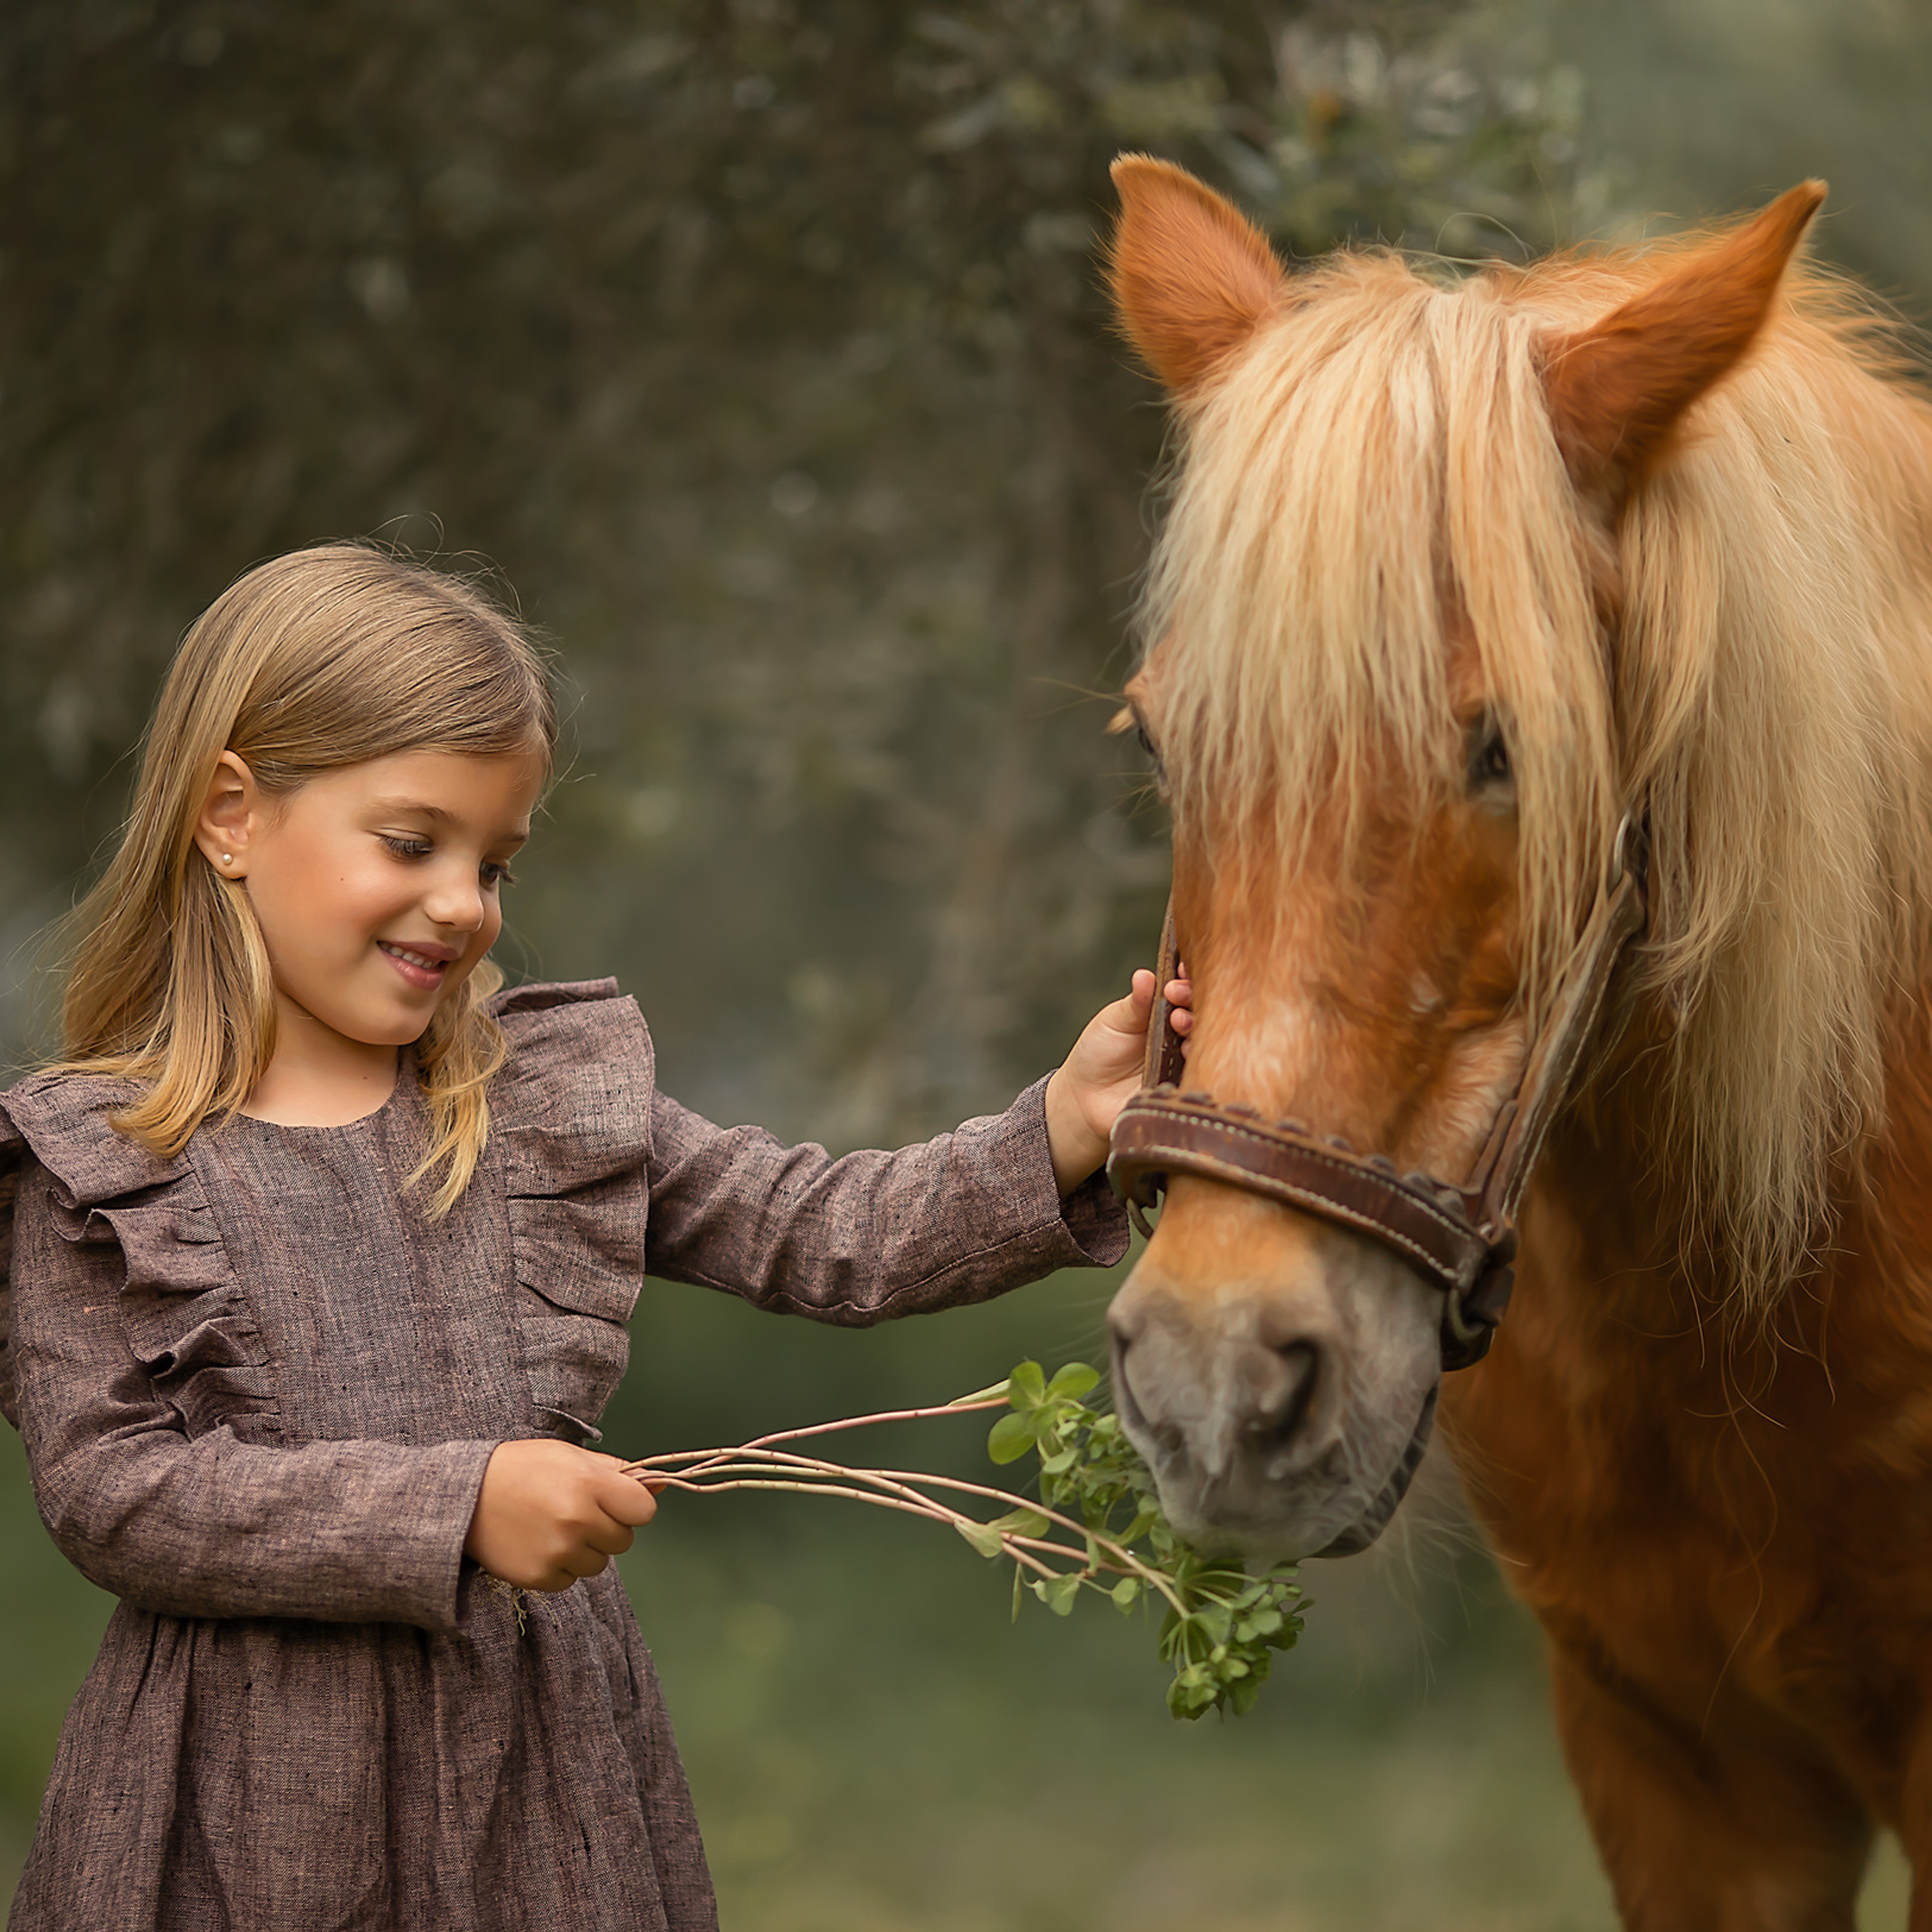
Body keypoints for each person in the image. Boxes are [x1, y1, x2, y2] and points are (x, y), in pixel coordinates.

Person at [0, 543, 1191, 1931]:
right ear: (230, 816)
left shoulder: (531, 1105)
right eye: (412, 842)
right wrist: (456, 1507)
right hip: (247, 1810)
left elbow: (823, 1231)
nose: (463, 902)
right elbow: (117, 1495)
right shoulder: (97, 1162)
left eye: (494, 860)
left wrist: (1062, 1119)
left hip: (544, 1791)